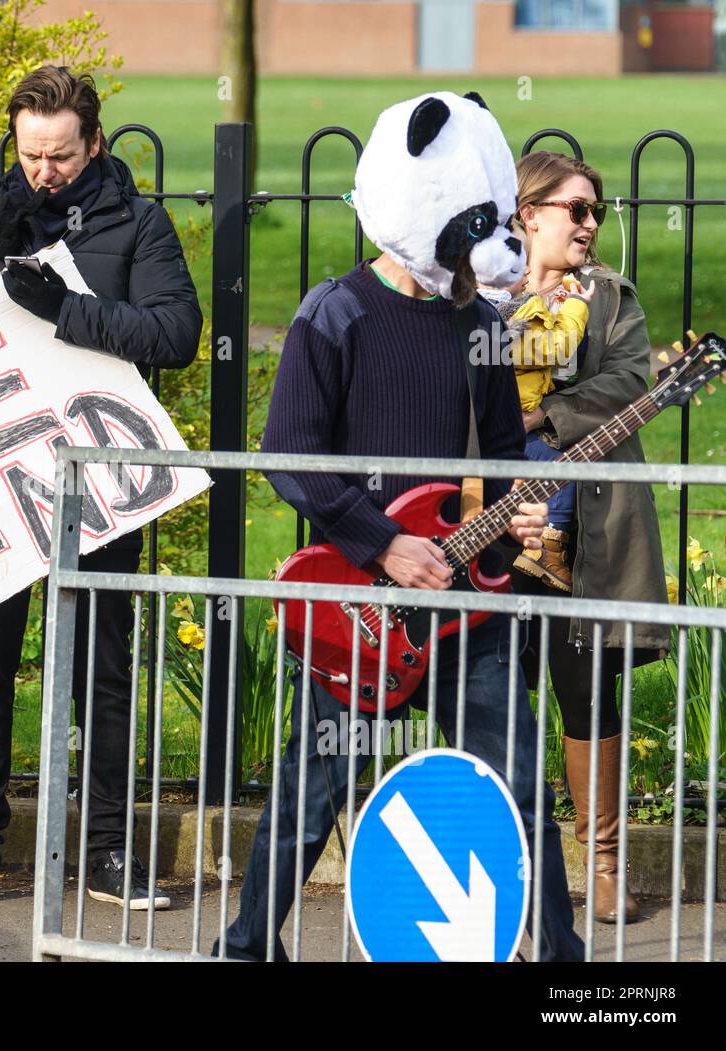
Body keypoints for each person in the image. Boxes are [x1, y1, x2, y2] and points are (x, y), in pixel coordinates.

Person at [216, 92, 585, 962]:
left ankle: (567, 968)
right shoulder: (331, 314)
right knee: (310, 793)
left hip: (465, 611)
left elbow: (496, 464)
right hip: (360, 608)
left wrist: (509, 524)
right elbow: (288, 455)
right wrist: (381, 542)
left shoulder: (484, 327)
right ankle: (242, 949)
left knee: (522, 788)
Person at [0, 65, 201, 910]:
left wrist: (69, 309)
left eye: (61, 155)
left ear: (94, 143)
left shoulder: (138, 224)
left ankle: (103, 853)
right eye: (31, 154)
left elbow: (175, 335)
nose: (44, 171)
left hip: (99, 481)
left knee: (101, 671)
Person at [510, 151, 668, 925]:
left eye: (596, 209)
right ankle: (506, 866)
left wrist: (541, 414)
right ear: (527, 213)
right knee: (496, 698)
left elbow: (629, 382)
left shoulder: (608, 299)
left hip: (586, 536)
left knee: (585, 691)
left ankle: (602, 867)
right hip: (490, 528)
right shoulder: (481, 297)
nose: (590, 222)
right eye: (575, 208)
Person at [480, 270, 594, 591]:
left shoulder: (500, 318)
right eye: (516, 267)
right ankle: (546, 547)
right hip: (509, 427)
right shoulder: (500, 328)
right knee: (560, 466)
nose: (527, 271)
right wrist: (576, 304)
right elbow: (559, 347)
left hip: (512, 420)